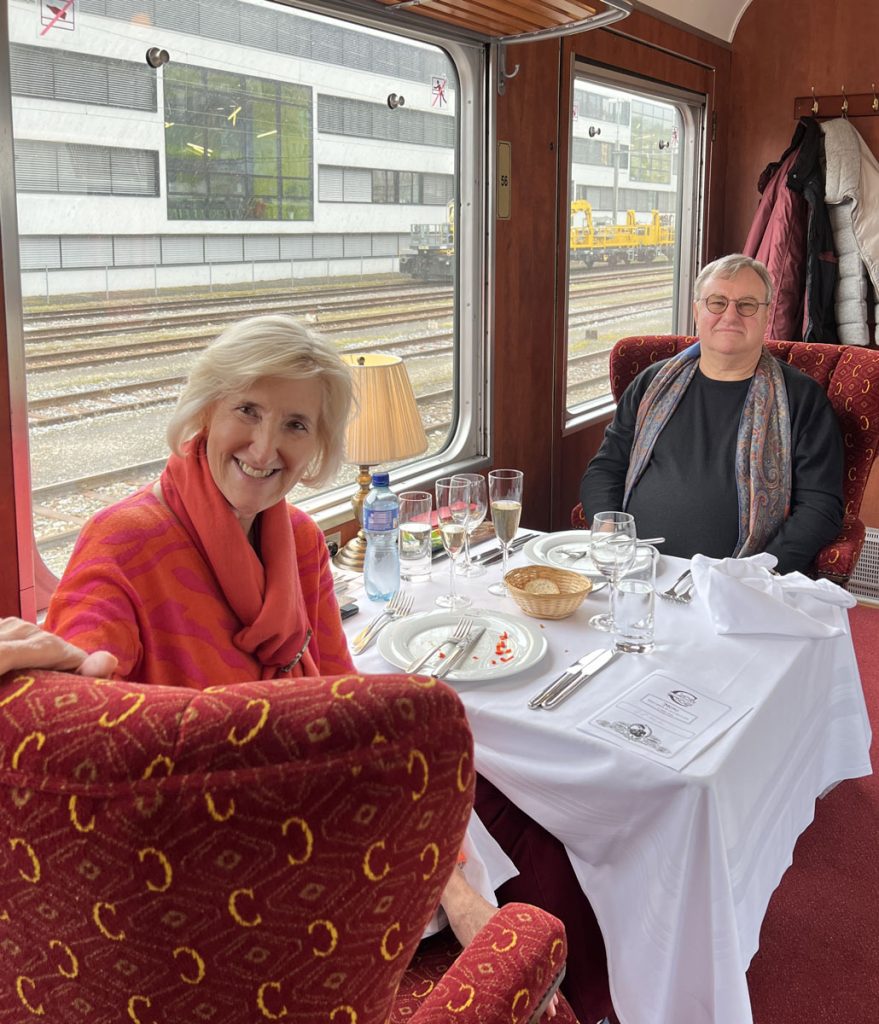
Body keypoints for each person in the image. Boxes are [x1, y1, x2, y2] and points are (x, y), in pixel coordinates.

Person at [0, 314, 563, 1016]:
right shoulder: (125, 541)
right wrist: (50, 669)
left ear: (319, 445)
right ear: (204, 410)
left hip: (306, 814)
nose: (265, 447)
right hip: (194, 863)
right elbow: (82, 707)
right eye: (247, 410)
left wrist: (451, 889)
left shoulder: (297, 539)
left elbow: (340, 699)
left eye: (296, 425)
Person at [579, 253, 844, 574]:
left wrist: (758, 570)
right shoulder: (650, 383)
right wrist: (610, 537)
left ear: (765, 316)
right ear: (696, 311)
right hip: (636, 571)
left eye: (747, 305)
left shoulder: (803, 400)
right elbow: (605, 469)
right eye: (717, 302)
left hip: (743, 588)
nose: (730, 315)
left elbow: (821, 508)